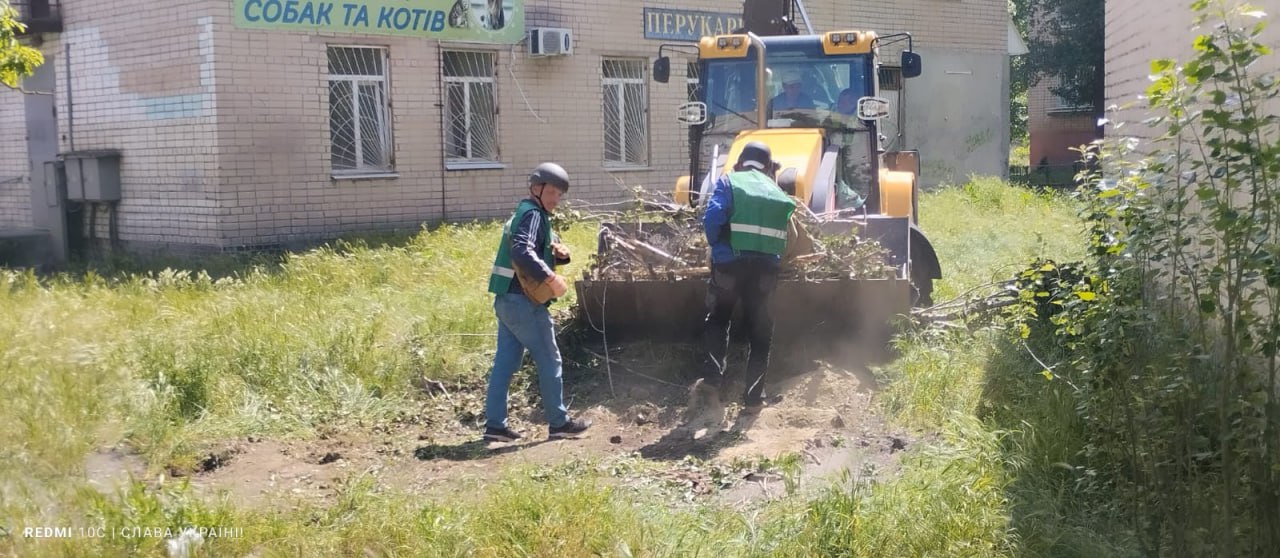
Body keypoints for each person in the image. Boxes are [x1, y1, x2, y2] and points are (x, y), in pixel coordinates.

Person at [482, 162, 592, 442]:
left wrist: (561, 255)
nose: (556, 199)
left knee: (505, 363)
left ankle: (495, 426)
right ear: (536, 188)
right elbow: (521, 250)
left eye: (560, 194)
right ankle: (559, 423)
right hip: (524, 303)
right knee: (549, 357)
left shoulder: (526, 213)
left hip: (506, 300)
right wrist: (550, 278)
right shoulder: (532, 215)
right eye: (552, 192)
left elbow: (536, 248)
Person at [698, 142, 797, 411]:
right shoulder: (778, 193)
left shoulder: (729, 182)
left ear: (741, 162)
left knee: (718, 319)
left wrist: (718, 247)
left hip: (729, 267)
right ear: (768, 167)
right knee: (761, 331)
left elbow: (712, 220)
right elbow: (791, 237)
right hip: (764, 272)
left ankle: (713, 380)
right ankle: (753, 399)